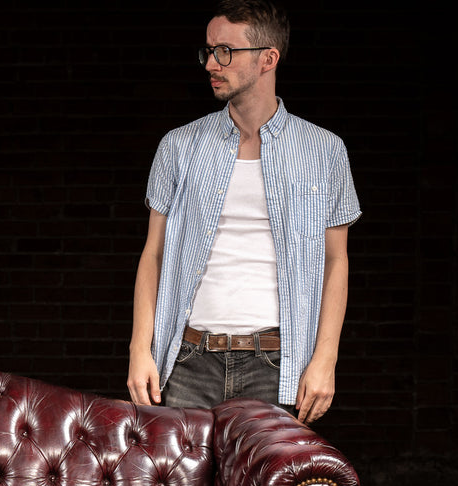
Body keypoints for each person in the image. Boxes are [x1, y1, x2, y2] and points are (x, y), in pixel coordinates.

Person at [127, 0, 360, 425]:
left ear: (268, 59)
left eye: (226, 52)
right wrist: (139, 351)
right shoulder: (178, 147)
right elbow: (153, 256)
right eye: (209, 51)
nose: (212, 64)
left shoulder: (325, 151)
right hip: (186, 360)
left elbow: (336, 261)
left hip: (274, 363)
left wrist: (325, 360)